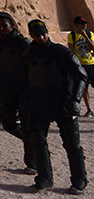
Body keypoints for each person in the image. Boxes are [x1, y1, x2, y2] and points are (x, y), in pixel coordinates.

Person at [25, 19, 88, 194]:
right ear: (31, 35)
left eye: (43, 34)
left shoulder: (61, 52)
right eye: (36, 35)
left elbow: (81, 76)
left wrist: (75, 100)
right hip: (39, 102)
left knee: (71, 144)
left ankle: (79, 180)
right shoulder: (29, 53)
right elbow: (26, 77)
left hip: (63, 102)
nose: (41, 37)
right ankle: (45, 178)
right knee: (37, 140)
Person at [0, 11, 36, 175]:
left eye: (4, 25)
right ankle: (32, 143)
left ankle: (32, 161)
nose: (1, 28)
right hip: (7, 88)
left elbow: (31, 67)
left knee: (26, 123)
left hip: (23, 89)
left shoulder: (22, 43)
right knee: (8, 123)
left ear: (12, 26)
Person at [68, 16, 94, 118]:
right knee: (84, 88)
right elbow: (71, 51)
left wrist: (86, 37)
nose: (84, 26)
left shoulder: (90, 34)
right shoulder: (72, 35)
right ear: (76, 25)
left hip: (91, 64)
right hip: (80, 65)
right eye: (82, 24)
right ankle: (89, 109)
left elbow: (93, 48)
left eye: (85, 24)